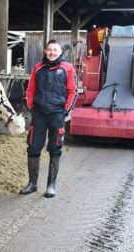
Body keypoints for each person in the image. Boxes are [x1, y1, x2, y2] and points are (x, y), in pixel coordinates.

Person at [20, 39, 77, 198]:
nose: (52, 52)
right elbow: (30, 90)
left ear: (60, 52)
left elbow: (73, 91)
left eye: (55, 50)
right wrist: (32, 107)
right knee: (33, 147)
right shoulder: (38, 68)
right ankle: (32, 184)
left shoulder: (67, 68)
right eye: (49, 49)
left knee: (55, 148)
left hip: (56, 115)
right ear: (45, 51)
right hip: (38, 114)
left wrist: (65, 111)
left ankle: (51, 186)